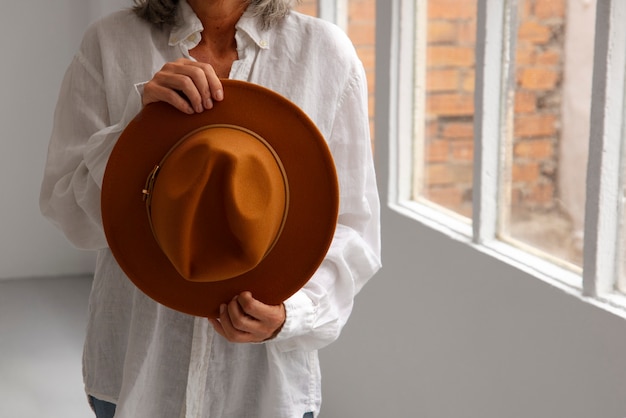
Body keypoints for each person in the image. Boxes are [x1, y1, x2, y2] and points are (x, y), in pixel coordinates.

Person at [39, 0, 381, 417]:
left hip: (262, 388)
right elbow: (67, 209)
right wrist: (137, 126)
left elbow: (353, 228)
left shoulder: (323, 53)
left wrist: (291, 315)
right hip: (137, 376)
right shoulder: (110, 43)